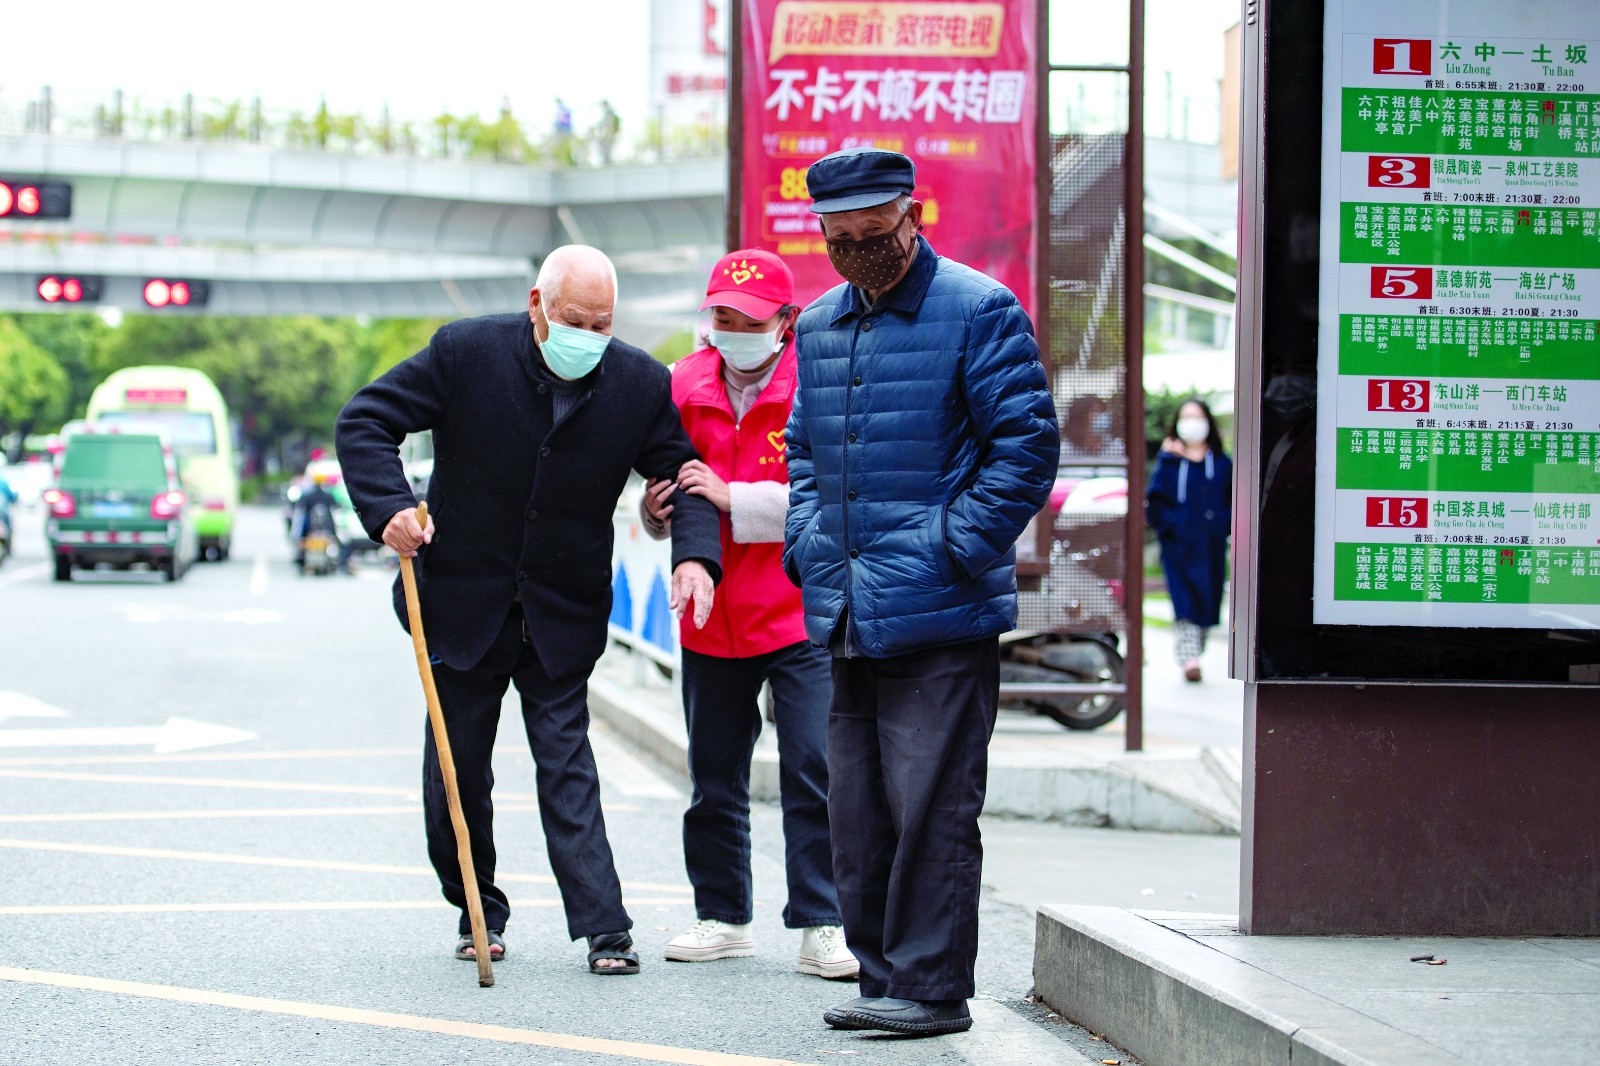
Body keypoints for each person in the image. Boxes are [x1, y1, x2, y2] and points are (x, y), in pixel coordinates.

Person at [335, 244, 722, 976]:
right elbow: (367, 419)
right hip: (459, 601)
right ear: (538, 306)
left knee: (567, 762)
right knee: (455, 773)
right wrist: (388, 509)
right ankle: (476, 906)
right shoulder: (466, 353)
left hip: (561, 608)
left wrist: (694, 552)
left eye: (602, 323)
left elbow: (682, 473)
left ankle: (605, 928)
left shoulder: (637, 382)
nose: (588, 335)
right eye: (575, 319)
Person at [783, 148, 1059, 1037]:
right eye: (843, 238)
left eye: (877, 232)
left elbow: (1024, 452)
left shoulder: (979, 310)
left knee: (932, 804)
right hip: (846, 607)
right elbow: (802, 456)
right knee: (858, 807)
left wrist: (950, 548)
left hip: (941, 612)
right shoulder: (820, 325)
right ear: (822, 233)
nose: (862, 250)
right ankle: (884, 977)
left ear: (913, 214)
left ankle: (933, 989)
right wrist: (808, 544)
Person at [640, 249, 857, 980]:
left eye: (748, 321)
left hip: (798, 612)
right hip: (711, 612)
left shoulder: (817, 382)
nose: (731, 332)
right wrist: (655, 512)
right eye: (722, 319)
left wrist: (737, 499)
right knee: (714, 775)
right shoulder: (682, 382)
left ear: (786, 323)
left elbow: (834, 498)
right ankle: (723, 916)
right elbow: (669, 482)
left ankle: (824, 923)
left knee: (813, 768)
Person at [1146, 398, 1232, 683]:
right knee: (1183, 603)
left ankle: (1196, 650)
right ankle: (1189, 658)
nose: (1192, 423)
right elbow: (1156, 501)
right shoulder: (1169, 462)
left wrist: (1222, 524)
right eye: (1186, 417)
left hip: (1210, 545)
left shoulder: (1221, 462)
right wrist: (1171, 524)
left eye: (1197, 417)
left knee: (1207, 602)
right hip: (1178, 546)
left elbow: (1232, 500)